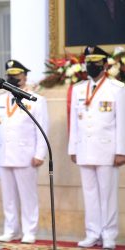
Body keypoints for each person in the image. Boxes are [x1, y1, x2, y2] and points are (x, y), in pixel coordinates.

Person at [68, 46, 125, 249]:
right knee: (90, 194)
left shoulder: (117, 88)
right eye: (89, 62)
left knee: (108, 194)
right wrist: (72, 148)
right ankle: (92, 232)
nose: (92, 66)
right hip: (84, 148)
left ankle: (109, 234)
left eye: (96, 62)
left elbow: (122, 122)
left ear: (105, 64)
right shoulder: (78, 89)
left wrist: (121, 150)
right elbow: (74, 121)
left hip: (107, 150)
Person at [0, 60, 49, 244]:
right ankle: (11, 229)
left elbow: (42, 129)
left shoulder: (36, 100)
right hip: (4, 155)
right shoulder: (0, 100)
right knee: (8, 197)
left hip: (26, 156)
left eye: (17, 74)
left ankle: (30, 230)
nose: (13, 78)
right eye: (10, 75)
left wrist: (40, 154)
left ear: (25, 76)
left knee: (28, 196)